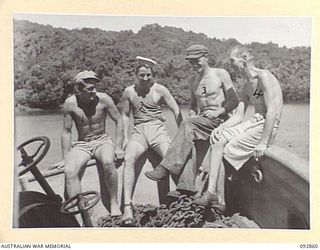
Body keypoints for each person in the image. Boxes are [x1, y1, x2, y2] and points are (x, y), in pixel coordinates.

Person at [193, 45, 283, 212]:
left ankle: (220, 195)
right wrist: (221, 128)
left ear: (245, 57)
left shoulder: (264, 77)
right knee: (218, 140)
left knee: (226, 149)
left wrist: (263, 143)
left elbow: (271, 111)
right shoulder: (247, 85)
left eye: (232, 60)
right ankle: (212, 193)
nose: (231, 64)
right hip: (254, 122)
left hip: (267, 125)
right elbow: (238, 116)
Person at [145, 44, 239, 197]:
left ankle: (165, 168)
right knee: (188, 134)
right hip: (202, 122)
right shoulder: (193, 81)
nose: (194, 64)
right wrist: (193, 114)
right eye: (191, 62)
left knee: (187, 125)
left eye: (197, 60)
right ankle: (185, 187)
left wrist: (218, 111)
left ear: (206, 58)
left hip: (220, 121)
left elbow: (234, 100)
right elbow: (194, 106)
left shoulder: (220, 74)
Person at [121, 56, 182, 225]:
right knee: (128, 158)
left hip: (157, 129)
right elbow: (125, 115)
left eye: (148, 75)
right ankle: (126, 206)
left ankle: (185, 195)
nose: (146, 78)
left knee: (170, 158)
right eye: (142, 75)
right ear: (136, 75)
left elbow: (176, 110)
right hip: (139, 131)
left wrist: (181, 135)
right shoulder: (129, 92)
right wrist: (125, 138)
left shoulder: (160, 89)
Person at [58, 70, 124, 217]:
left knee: (108, 162)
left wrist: (118, 147)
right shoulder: (70, 104)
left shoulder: (104, 99)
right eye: (90, 89)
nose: (94, 91)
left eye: (95, 87)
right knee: (69, 171)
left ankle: (114, 203)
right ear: (79, 90)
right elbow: (66, 132)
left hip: (103, 140)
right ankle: (82, 212)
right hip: (82, 144)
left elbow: (119, 120)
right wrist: (65, 157)